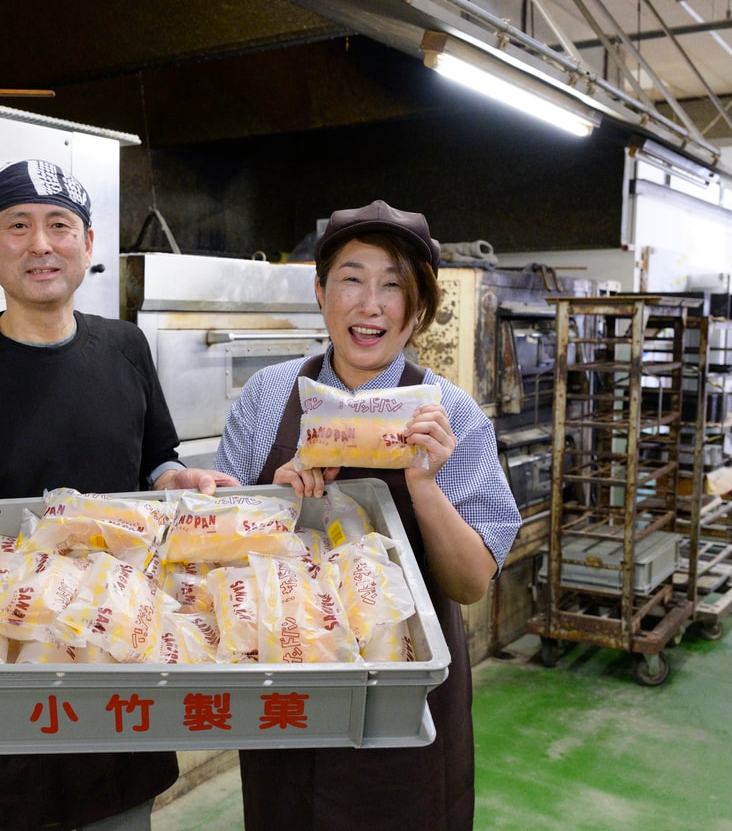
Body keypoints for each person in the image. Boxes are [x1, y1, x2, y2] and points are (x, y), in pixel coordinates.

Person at [0, 159, 239, 831]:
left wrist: (181, 482)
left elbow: (154, 464)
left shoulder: (125, 348)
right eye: (18, 226)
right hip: (2, 683)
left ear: (87, 244)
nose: (40, 244)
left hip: (121, 665)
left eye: (60, 226)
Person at [214, 199, 521, 830]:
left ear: (420, 308)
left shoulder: (452, 417)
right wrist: (273, 501)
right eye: (352, 278)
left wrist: (425, 486)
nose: (370, 304)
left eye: (394, 285)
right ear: (322, 291)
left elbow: (468, 584)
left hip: (406, 701)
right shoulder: (269, 395)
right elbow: (217, 558)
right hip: (287, 683)